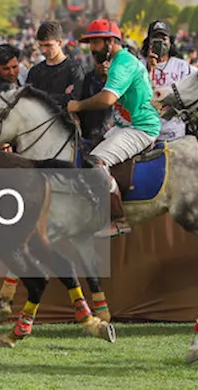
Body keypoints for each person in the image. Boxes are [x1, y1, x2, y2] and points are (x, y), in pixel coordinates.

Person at [66, 20, 161, 237]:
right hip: (123, 125)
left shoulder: (123, 62)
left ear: (110, 41)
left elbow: (108, 98)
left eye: (95, 43)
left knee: (95, 163)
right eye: (89, 43)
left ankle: (119, 220)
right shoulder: (118, 61)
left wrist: (78, 105)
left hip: (141, 127)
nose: (91, 48)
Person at [144, 20, 195, 142]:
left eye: (164, 38)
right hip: (145, 134)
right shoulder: (138, 65)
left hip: (175, 135)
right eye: (155, 38)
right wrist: (148, 69)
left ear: (170, 42)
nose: (160, 42)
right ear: (149, 42)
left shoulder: (182, 67)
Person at [25, 22, 85, 114]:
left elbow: (77, 98)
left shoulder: (74, 69)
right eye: (41, 45)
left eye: (48, 45)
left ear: (60, 42)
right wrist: (62, 97)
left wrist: (41, 98)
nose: (43, 50)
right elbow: (28, 100)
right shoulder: (35, 71)